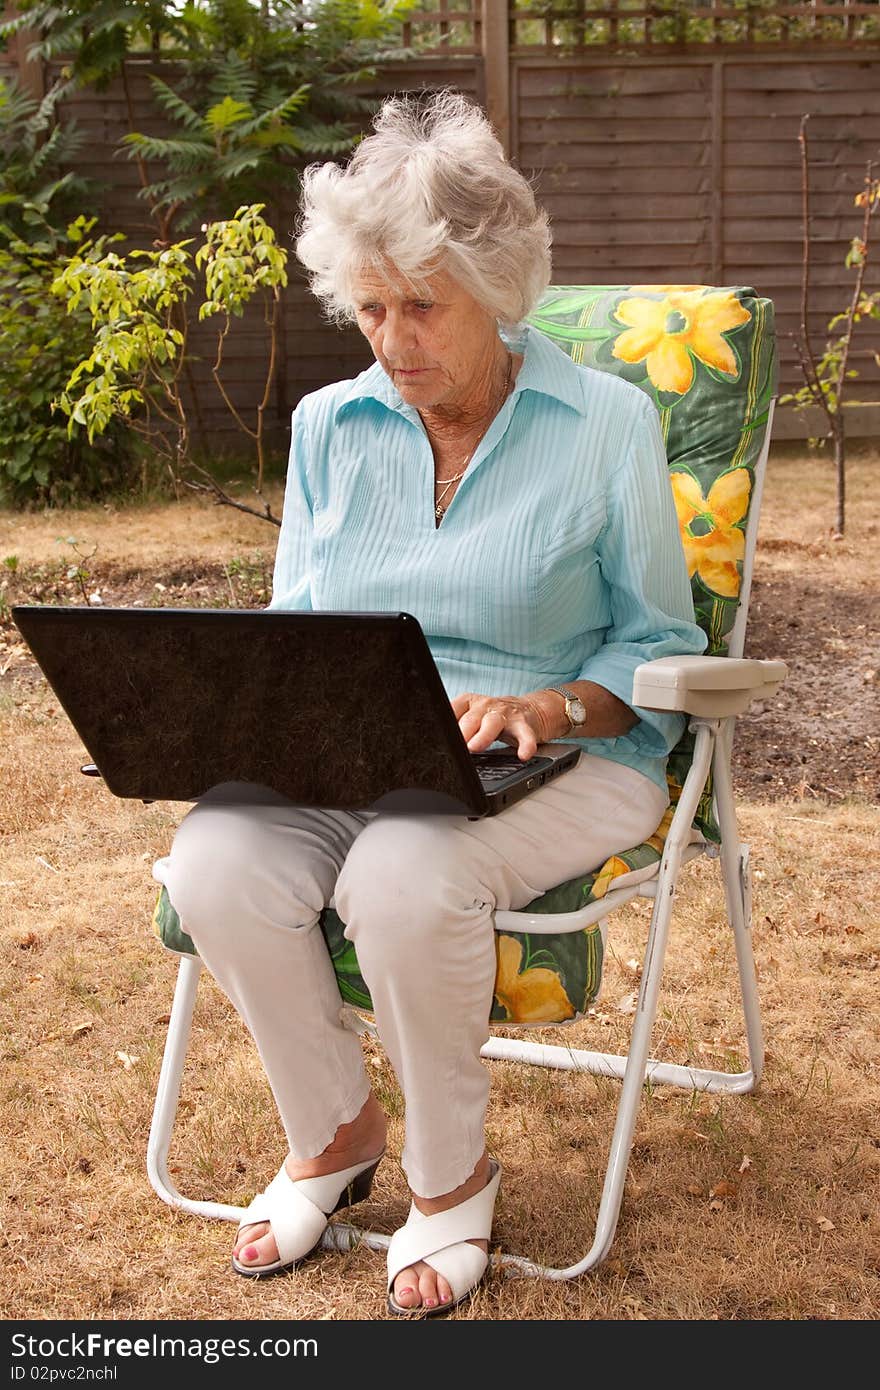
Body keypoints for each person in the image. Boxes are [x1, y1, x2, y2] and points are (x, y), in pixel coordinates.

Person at [154, 89, 706, 1317]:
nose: (392, 340)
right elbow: (299, 625)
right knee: (213, 864)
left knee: (402, 877)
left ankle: (451, 1181)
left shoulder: (604, 421)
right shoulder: (326, 425)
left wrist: (553, 706)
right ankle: (334, 1133)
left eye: (421, 306)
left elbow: (660, 641)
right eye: (369, 309)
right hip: (353, 752)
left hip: (569, 757)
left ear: (497, 294)